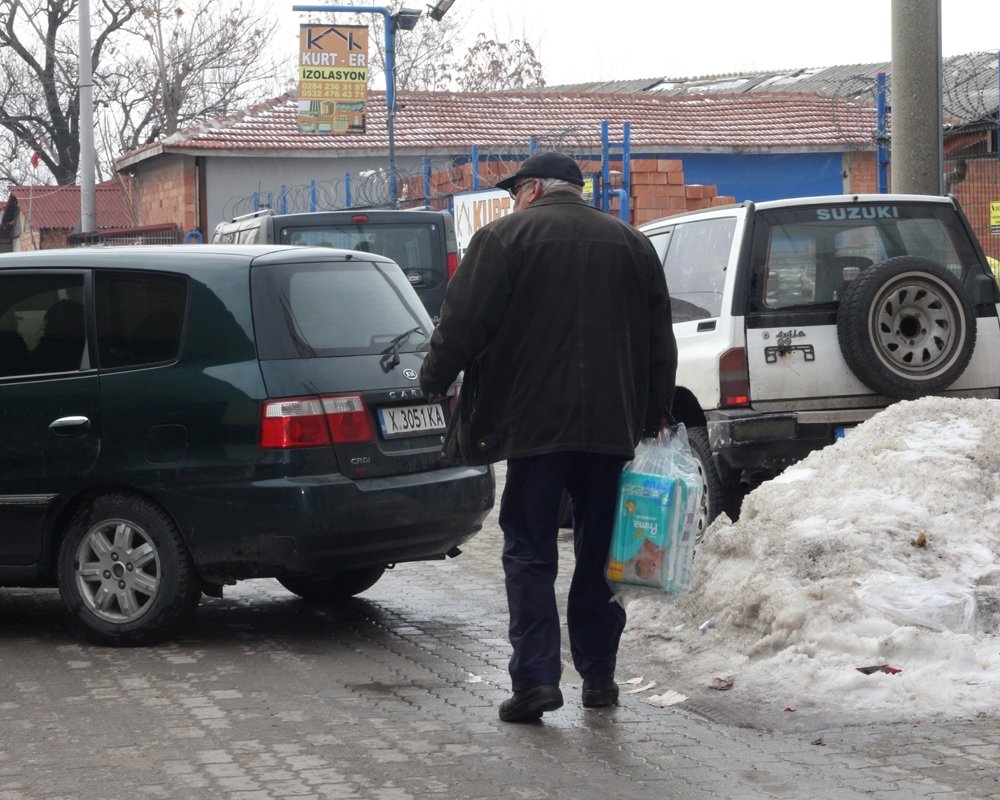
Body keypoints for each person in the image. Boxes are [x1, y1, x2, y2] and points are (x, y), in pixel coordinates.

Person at [419, 151, 677, 723]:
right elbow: (661, 337)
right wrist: (655, 408)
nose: (514, 199)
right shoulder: (632, 245)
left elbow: (462, 322)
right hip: (612, 429)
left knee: (530, 550)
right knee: (600, 553)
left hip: (534, 428)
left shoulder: (504, 239)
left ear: (533, 189)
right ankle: (599, 677)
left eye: (516, 191)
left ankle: (536, 680)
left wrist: (433, 379)